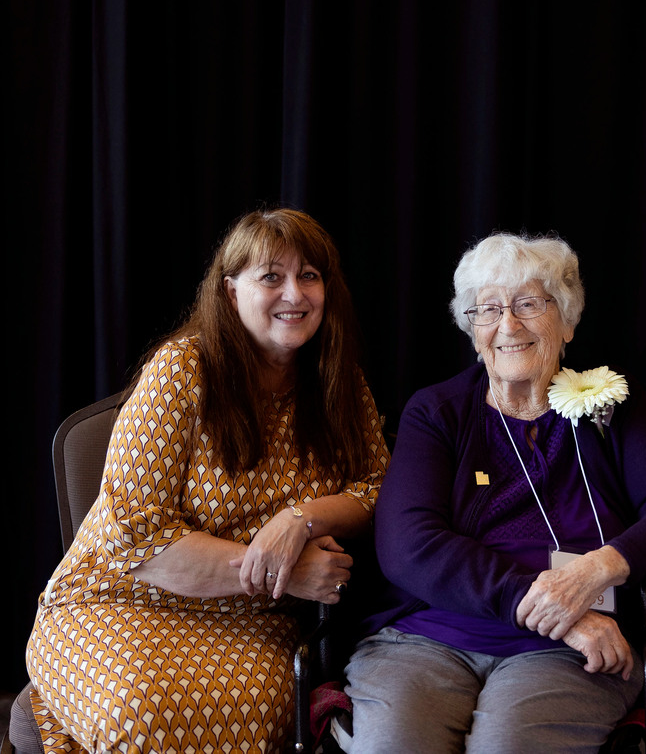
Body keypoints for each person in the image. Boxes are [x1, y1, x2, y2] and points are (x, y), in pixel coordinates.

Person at [26, 207, 391, 752]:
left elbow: (379, 489)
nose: (295, 292)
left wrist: (299, 521)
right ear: (230, 291)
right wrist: (283, 573)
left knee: (245, 713)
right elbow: (141, 539)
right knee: (141, 713)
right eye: (271, 276)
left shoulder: (337, 381)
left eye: (309, 275)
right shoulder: (181, 370)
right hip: (119, 601)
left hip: (252, 626)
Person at [342, 231, 646, 753]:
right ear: (472, 333)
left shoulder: (610, 407)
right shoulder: (437, 412)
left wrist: (598, 568)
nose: (508, 325)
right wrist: (547, 607)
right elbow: (408, 543)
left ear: (568, 321)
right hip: (429, 638)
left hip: (570, 656)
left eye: (528, 304)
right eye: (487, 310)